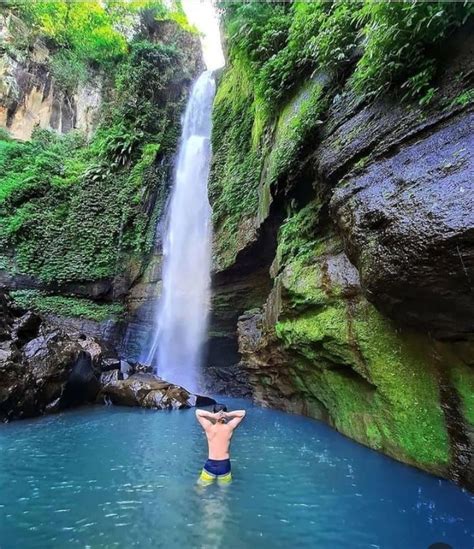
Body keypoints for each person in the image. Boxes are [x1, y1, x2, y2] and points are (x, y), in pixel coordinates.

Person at [195, 404, 246, 485]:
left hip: (211, 464)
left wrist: (212, 416)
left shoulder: (209, 427)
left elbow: (197, 412)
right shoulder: (230, 427)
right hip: (224, 465)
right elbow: (242, 413)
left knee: (200, 489)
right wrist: (227, 414)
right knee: (223, 493)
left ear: (214, 413)